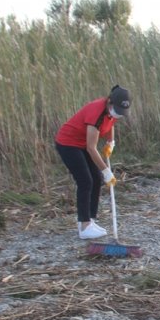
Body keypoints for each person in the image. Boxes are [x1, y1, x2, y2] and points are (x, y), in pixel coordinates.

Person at [54, 85, 131, 239]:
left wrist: (111, 141)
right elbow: (91, 148)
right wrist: (106, 171)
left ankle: (90, 220)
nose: (117, 114)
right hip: (68, 144)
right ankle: (83, 227)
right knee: (85, 181)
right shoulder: (96, 112)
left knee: (96, 179)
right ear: (109, 102)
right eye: (116, 109)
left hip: (82, 144)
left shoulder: (111, 111)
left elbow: (111, 122)